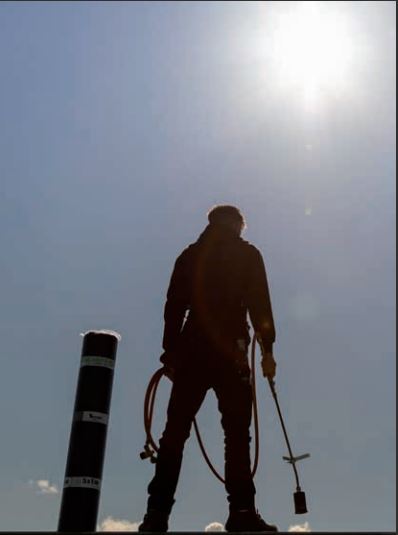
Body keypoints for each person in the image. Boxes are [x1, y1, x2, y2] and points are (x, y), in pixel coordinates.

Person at [139, 205, 278, 533]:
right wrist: (268, 352)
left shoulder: (190, 255)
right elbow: (261, 306)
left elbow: (174, 306)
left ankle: (156, 516)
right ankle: (242, 512)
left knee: (174, 434)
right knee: (237, 435)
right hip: (232, 353)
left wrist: (170, 353)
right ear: (237, 225)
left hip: (192, 353)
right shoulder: (247, 255)